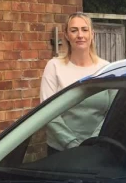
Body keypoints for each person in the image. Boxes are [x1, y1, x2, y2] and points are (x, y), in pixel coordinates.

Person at [40, 13, 110, 155]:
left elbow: (113, 110)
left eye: (84, 29)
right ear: (66, 35)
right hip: (60, 151)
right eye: (74, 30)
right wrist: (73, 144)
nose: (80, 35)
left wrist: (92, 142)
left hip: (97, 150)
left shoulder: (107, 69)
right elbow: (47, 111)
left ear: (92, 34)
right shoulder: (54, 66)